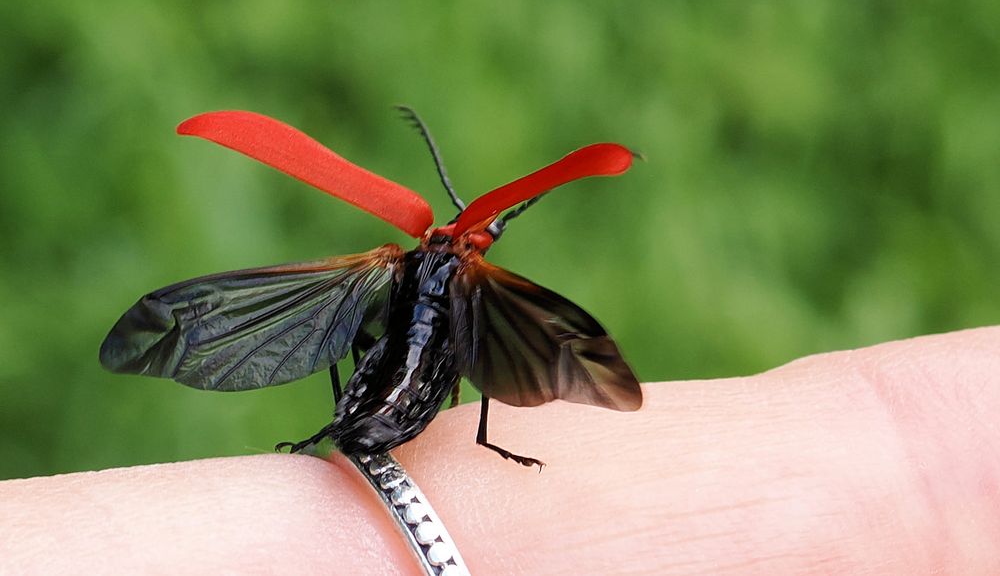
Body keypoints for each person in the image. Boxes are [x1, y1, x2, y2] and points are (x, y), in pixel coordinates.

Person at [2, 327, 997, 574]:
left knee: (438, 376)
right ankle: (340, 431)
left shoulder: (488, 307)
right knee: (397, 360)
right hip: (381, 425)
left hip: (388, 421)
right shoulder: (429, 286)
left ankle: (350, 429)